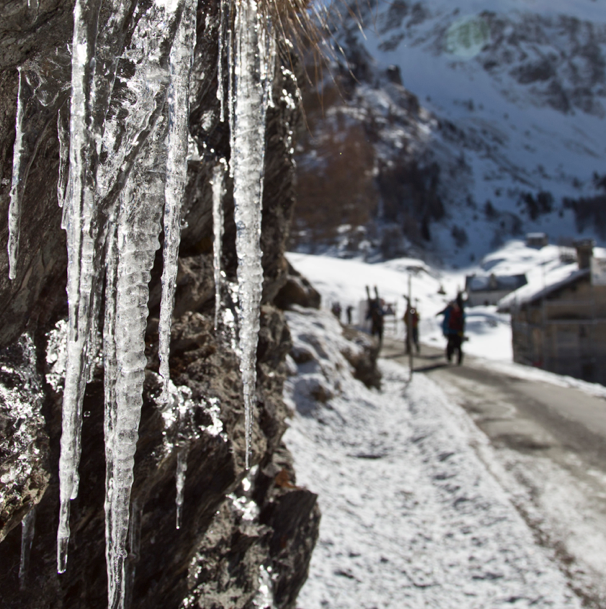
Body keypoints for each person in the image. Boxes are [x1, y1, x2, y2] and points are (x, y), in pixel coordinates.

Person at [439, 294, 465, 365]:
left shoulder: (449, 311)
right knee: (458, 346)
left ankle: (449, 358)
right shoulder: (459, 311)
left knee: (450, 345)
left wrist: (445, 331)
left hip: (451, 331)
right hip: (458, 332)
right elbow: (463, 321)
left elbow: (445, 322)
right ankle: (459, 360)